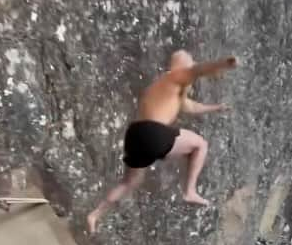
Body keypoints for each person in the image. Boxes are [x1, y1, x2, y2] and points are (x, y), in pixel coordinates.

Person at [86, 50, 237, 233]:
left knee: (130, 183)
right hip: (153, 132)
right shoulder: (176, 75)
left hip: (134, 135)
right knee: (200, 145)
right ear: (182, 66)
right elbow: (199, 70)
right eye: (190, 61)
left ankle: (95, 214)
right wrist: (225, 63)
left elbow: (190, 106)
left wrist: (217, 108)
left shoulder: (166, 87)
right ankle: (190, 191)